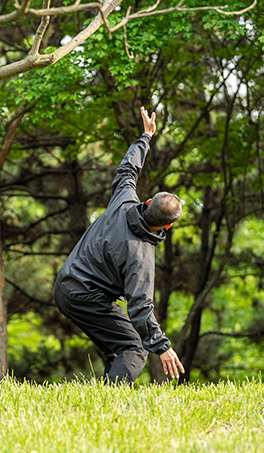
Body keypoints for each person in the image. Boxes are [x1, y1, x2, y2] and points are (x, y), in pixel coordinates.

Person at [54, 106, 185, 384]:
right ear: (168, 226)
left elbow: (128, 168)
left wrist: (145, 137)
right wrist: (162, 346)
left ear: (147, 203)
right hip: (85, 297)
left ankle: (106, 394)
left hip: (66, 284)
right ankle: (108, 402)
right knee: (133, 349)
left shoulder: (123, 200)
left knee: (119, 347)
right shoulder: (141, 256)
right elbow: (140, 307)